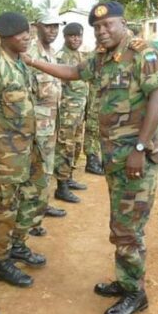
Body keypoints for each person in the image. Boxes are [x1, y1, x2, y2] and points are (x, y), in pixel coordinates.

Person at [23, 1, 158, 314]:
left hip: (136, 159)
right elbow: (73, 72)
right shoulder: (102, 58)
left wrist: (140, 147)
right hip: (116, 159)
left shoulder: (144, 53)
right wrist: (33, 61)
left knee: (128, 229)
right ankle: (126, 279)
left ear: (123, 24)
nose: (101, 32)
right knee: (120, 223)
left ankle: (136, 294)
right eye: (97, 28)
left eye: (107, 26)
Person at [0, 11, 47, 288]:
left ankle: (18, 243)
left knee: (36, 196)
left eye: (28, 32)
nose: (27, 37)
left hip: (28, 149)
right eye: (21, 34)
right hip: (4, 156)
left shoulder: (21, 64)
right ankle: (1, 262)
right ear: (6, 37)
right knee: (3, 210)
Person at [25, 12, 67, 238]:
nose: (53, 30)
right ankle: (31, 219)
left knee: (47, 170)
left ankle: (41, 207)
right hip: (37, 126)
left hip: (52, 122)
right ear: (37, 26)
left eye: (56, 27)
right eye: (48, 26)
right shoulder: (30, 54)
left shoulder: (52, 53)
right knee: (37, 172)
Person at [53, 22, 89, 194]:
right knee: (65, 146)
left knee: (76, 144)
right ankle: (62, 185)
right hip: (67, 110)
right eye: (72, 36)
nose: (76, 39)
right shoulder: (61, 57)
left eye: (79, 36)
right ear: (65, 37)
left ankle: (69, 177)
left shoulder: (80, 56)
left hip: (79, 109)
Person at [83, 47, 104, 176]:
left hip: (107, 100)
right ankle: (92, 161)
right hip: (95, 98)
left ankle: (99, 159)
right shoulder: (94, 56)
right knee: (93, 130)